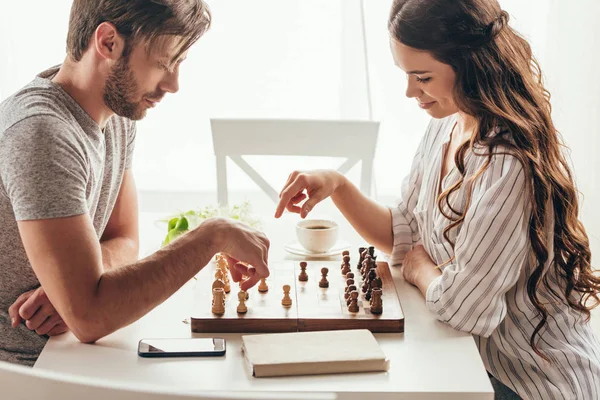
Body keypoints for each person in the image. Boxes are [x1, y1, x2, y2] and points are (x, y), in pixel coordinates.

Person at [275, 0, 600, 398]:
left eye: (422, 76)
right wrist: (337, 185)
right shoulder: (446, 126)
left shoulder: (508, 163)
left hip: (529, 379)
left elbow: (462, 309)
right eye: (406, 75)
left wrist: (420, 270)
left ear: (470, 65)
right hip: (467, 361)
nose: (410, 91)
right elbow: (406, 232)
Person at [0, 0, 270, 367]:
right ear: (108, 42)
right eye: (164, 63)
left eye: (179, 63)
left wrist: (75, 288)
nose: (173, 84)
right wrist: (212, 236)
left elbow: (126, 239)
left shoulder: (116, 113)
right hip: (27, 370)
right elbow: (90, 318)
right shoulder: (42, 133)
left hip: (70, 354)